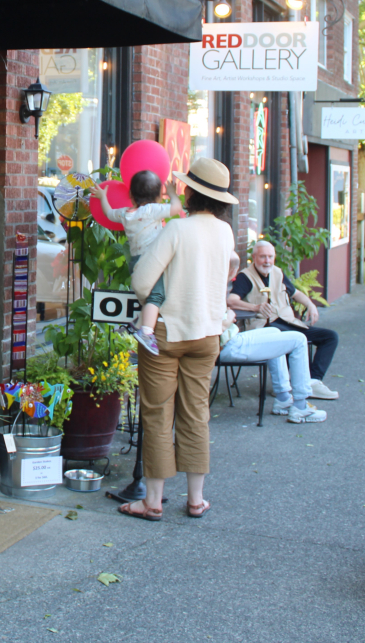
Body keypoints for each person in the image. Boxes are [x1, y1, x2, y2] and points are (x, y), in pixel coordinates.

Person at [119, 157, 236, 522]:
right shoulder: (225, 232)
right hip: (208, 334)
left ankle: (152, 501)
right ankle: (196, 499)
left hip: (167, 332)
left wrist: (156, 298)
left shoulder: (177, 230)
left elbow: (141, 281)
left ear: (190, 192)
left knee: (157, 412)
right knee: (196, 412)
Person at [220, 253, 326, 423]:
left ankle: (283, 399)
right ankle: (300, 406)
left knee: (275, 334)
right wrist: (228, 317)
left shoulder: (211, 287)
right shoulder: (216, 288)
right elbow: (215, 326)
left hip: (231, 340)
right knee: (299, 339)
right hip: (226, 345)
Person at [227, 240, 339, 400]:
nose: (267, 261)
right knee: (289, 340)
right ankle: (288, 385)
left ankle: (313, 381)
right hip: (266, 327)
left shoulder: (277, 273)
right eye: (263, 257)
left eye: (270, 257)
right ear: (254, 257)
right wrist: (255, 307)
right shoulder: (246, 277)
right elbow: (231, 300)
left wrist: (310, 304)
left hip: (289, 322)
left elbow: (295, 293)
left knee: (330, 337)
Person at [92, 170, 184, 356]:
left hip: (136, 261)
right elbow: (176, 208)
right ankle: (147, 332)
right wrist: (172, 193)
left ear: (131, 196)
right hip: (153, 261)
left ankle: (137, 322)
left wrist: (103, 196)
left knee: (148, 296)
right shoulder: (153, 211)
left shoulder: (126, 214)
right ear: (158, 196)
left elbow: (108, 213)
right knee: (156, 297)